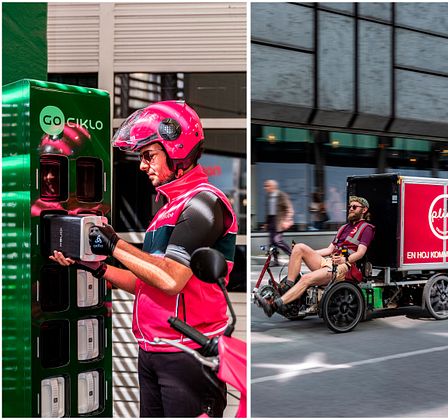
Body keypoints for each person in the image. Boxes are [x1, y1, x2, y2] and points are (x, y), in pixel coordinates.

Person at [49, 100, 238, 417]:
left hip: (188, 354)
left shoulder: (204, 204)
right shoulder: (167, 210)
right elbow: (145, 283)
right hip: (153, 351)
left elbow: (171, 279)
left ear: (176, 150)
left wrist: (114, 244)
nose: (141, 165)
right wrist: (96, 267)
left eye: (149, 155)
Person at [256, 196, 375, 317]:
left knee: (306, 279)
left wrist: (345, 259)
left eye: (354, 207)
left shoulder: (367, 228)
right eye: (350, 207)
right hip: (328, 262)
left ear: (364, 210)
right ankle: (287, 288)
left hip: (344, 267)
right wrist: (307, 254)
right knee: (299, 247)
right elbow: (329, 249)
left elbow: (361, 253)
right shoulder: (343, 228)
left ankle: (274, 306)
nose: (350, 209)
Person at [263, 179, 293, 265]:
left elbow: (289, 208)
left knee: (277, 240)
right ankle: (276, 261)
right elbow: (268, 211)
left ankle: (291, 254)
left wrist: (286, 220)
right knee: (272, 242)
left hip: (279, 221)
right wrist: (266, 223)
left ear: (273, 186)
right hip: (271, 221)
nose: (265, 188)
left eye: (267, 186)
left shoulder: (281, 195)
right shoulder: (268, 196)